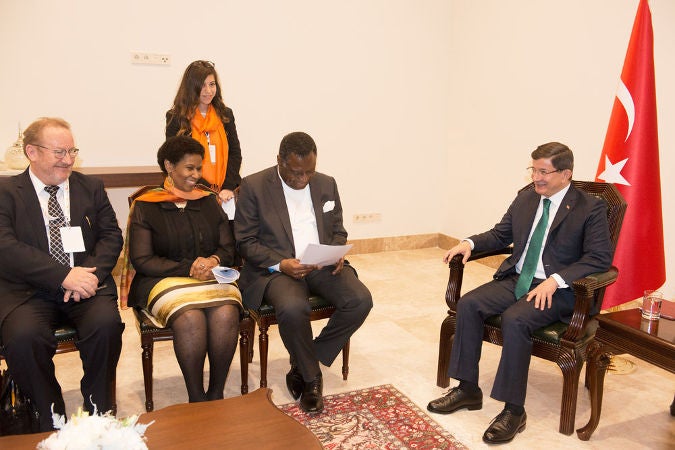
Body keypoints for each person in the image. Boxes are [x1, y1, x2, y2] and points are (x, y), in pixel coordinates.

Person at [427, 142, 613, 444]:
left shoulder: (589, 207)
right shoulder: (526, 198)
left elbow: (598, 258)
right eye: (533, 169)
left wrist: (556, 280)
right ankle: (468, 389)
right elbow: (501, 234)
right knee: (469, 304)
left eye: (544, 171)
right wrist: (470, 243)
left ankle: (514, 410)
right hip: (518, 278)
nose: (536, 177)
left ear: (565, 174)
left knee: (516, 319)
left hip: (560, 291)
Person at [234, 131, 372, 414]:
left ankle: (303, 359)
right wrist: (281, 263)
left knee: (360, 300)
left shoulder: (326, 183)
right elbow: (245, 241)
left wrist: (334, 252)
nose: (303, 179)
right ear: (280, 162)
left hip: (320, 264)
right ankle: (312, 378)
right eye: (296, 173)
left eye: (309, 172)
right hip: (278, 270)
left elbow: (337, 229)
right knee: (293, 307)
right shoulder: (254, 186)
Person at [0, 117, 124, 431]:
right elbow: (5, 246)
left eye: (72, 151)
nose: (68, 160)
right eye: (59, 152)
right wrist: (62, 276)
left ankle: (99, 413)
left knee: (107, 325)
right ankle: (50, 415)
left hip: (86, 285)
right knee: (24, 337)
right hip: (29, 291)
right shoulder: (6, 191)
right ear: (32, 151)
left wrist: (90, 276)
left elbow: (112, 236)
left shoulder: (90, 187)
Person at [121, 135, 243, 403]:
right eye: (190, 168)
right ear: (169, 165)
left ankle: (216, 392)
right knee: (190, 318)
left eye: (199, 168)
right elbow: (143, 260)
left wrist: (213, 260)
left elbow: (228, 247)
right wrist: (189, 267)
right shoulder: (147, 204)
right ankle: (196, 397)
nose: (196, 174)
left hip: (212, 275)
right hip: (161, 279)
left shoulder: (208, 200)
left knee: (226, 313)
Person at [166, 60, 242, 204]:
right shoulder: (176, 118)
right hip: (188, 192)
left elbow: (235, 153)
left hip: (225, 194)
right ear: (191, 87)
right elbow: (177, 162)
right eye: (202, 85)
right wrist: (208, 191)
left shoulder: (225, 115)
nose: (208, 91)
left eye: (212, 84)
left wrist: (227, 188)